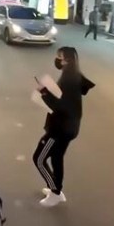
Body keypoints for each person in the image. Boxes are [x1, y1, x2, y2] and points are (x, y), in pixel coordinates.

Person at [33, 46, 95, 207]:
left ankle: (55, 191)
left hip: (59, 129)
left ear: (67, 60)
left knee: (39, 159)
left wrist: (44, 92)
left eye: (59, 57)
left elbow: (59, 106)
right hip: (69, 127)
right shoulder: (73, 75)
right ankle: (56, 191)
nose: (57, 60)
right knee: (57, 157)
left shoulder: (69, 80)